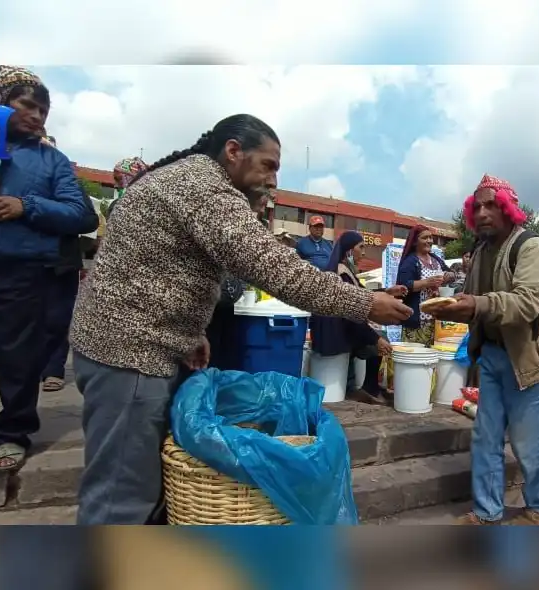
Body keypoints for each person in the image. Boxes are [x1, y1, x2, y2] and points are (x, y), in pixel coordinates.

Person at [68, 114, 411, 525]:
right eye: (268, 165)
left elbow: (164, 270)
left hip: (136, 345)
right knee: (120, 500)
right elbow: (274, 267)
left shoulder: (194, 181)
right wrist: (365, 304)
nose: (271, 180)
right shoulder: (206, 189)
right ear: (233, 151)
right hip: (129, 353)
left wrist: (191, 333)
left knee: (142, 487)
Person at [431, 174, 539, 525]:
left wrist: (474, 305)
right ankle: (487, 512)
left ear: (509, 208)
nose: (482, 213)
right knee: (485, 439)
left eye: (491, 205)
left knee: (531, 447)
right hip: (493, 357)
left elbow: (526, 304)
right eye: (476, 206)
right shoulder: (481, 251)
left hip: (535, 359)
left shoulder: (532, 247)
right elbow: (474, 302)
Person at [0, 65, 98, 472]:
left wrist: (25, 207)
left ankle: (12, 433)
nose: (36, 116)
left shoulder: (52, 161)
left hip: (19, 270)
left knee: (14, 355)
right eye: (26, 106)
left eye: (43, 111)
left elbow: (80, 215)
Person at [40, 134, 100, 393]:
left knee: (58, 318)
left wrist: (58, 215)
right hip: (21, 259)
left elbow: (90, 221)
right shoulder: (14, 178)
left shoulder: (72, 186)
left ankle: (53, 369)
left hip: (62, 261)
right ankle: (27, 367)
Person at [310, 231, 400, 404]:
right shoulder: (342, 274)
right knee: (380, 342)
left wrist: (387, 292)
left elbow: (362, 295)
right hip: (338, 333)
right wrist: (375, 339)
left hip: (339, 330)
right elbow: (352, 313)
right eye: (361, 247)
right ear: (349, 251)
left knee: (378, 338)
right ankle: (367, 389)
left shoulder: (344, 270)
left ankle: (365, 387)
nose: (364, 252)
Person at [206, 188, 272, 370]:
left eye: (265, 203)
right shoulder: (229, 219)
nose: (262, 207)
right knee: (211, 349)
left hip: (236, 301)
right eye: (261, 201)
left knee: (229, 350)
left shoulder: (260, 226)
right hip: (214, 299)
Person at [397, 225, 456, 346]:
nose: (429, 241)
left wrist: (449, 275)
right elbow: (403, 285)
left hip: (436, 321)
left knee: (433, 360)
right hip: (418, 323)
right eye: (425, 238)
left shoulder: (435, 259)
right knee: (416, 359)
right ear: (414, 242)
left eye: (430, 237)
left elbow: (450, 273)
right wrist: (427, 282)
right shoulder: (410, 261)